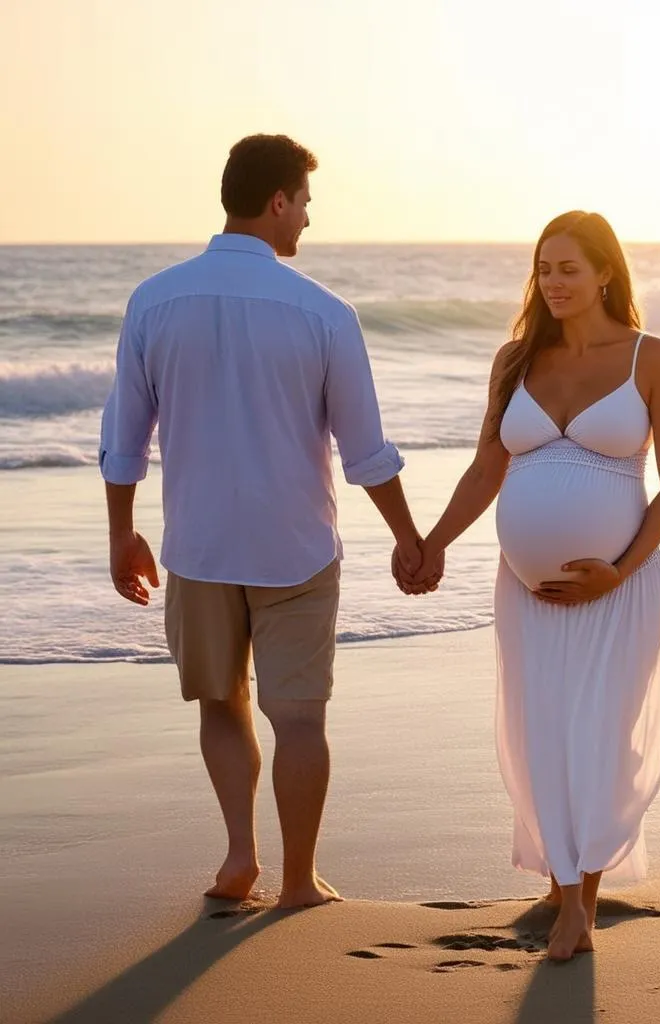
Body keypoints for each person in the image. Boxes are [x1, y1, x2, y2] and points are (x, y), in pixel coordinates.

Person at [100, 134, 440, 909]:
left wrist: (122, 532)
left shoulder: (154, 299)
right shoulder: (325, 313)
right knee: (299, 719)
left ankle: (237, 860)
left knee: (222, 703)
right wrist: (409, 538)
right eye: (306, 204)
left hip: (198, 545)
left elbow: (124, 440)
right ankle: (296, 883)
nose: (309, 222)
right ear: (278, 200)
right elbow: (367, 453)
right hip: (297, 550)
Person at [396, 210, 660, 959]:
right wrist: (431, 542)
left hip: (617, 591)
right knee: (541, 737)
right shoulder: (514, 360)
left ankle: (578, 908)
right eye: (543, 269)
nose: (553, 283)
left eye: (568, 268)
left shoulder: (649, 358)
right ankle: (564, 882)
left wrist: (618, 571)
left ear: (605, 274)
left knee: (597, 736)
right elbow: (486, 471)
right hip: (526, 595)